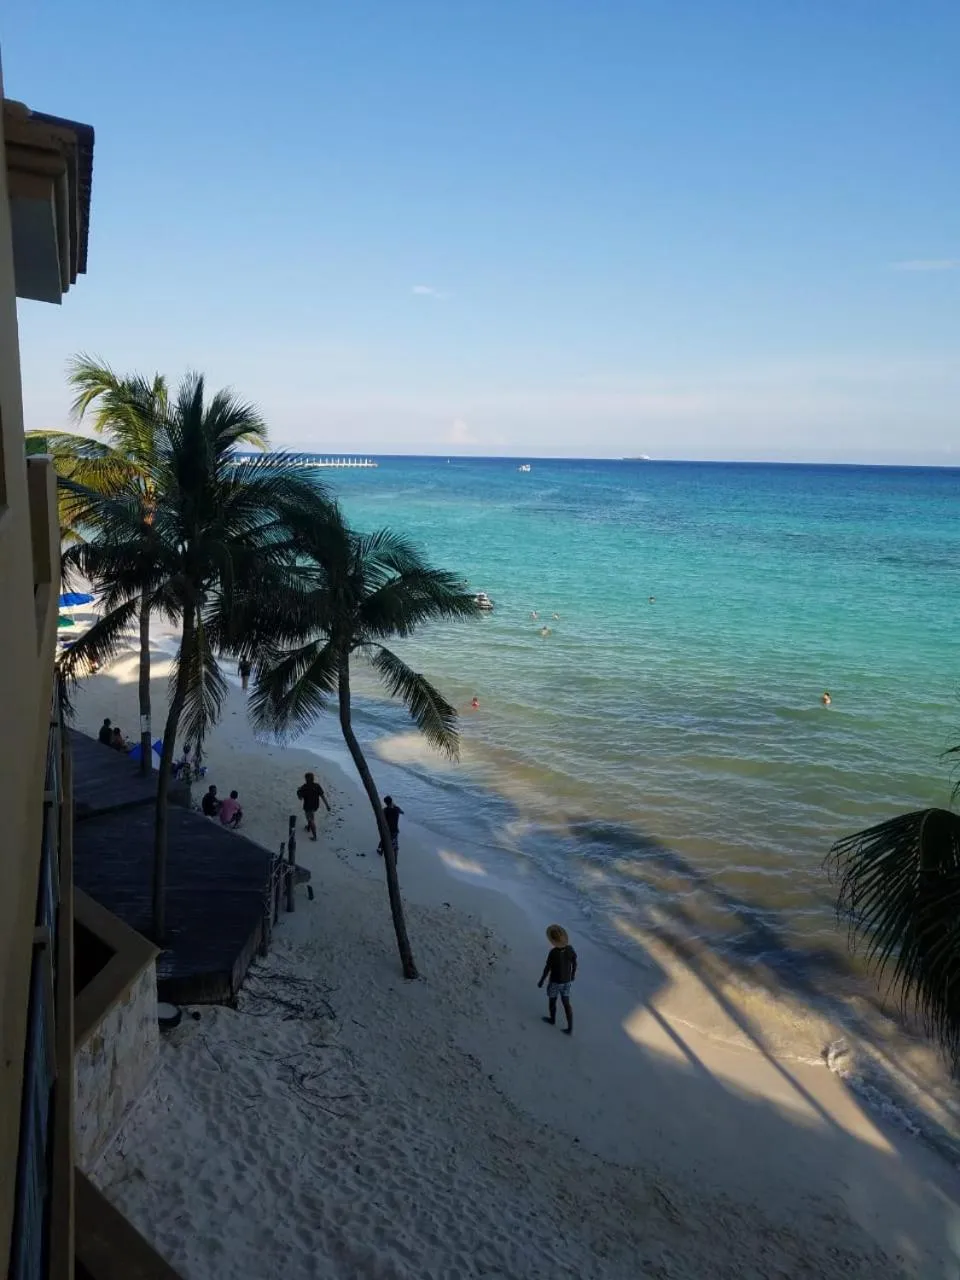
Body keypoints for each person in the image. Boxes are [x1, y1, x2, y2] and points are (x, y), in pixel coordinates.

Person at [538, 924, 577, 1035]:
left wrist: (542, 980)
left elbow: (547, 968)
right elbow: (575, 963)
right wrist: (573, 974)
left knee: (552, 1001)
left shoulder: (553, 953)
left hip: (555, 981)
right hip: (567, 981)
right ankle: (570, 1028)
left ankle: (552, 1019)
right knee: (566, 1004)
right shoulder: (570, 949)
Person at [297, 771, 330, 841]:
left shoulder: (304, 787)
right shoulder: (317, 786)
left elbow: (300, 798)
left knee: (310, 819)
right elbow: (322, 796)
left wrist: (298, 791)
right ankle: (308, 827)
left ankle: (314, 836)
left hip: (307, 806)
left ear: (306, 779)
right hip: (315, 805)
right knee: (311, 817)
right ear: (313, 778)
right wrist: (327, 805)